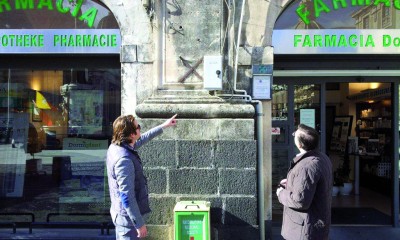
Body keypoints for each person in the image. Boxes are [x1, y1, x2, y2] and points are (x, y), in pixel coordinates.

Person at [107, 114, 177, 239]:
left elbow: (143, 138)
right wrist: (138, 224)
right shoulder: (124, 160)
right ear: (131, 135)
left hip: (120, 215)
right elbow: (127, 196)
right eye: (138, 126)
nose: (140, 128)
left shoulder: (117, 146)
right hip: (127, 222)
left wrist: (164, 125)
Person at [276, 124, 333, 240]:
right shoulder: (322, 158)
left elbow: (300, 201)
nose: (293, 135)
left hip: (304, 230)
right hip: (316, 224)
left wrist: (281, 193)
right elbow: (313, 185)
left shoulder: (306, 166)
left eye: (294, 135)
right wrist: (291, 182)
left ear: (300, 144)